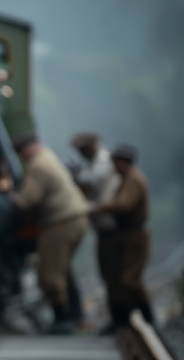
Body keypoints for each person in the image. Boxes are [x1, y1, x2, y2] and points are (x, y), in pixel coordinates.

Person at [12, 133, 88, 334]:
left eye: (21, 151)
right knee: (63, 270)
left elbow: (28, 199)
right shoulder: (47, 155)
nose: (21, 156)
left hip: (61, 222)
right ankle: (76, 315)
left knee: (49, 273)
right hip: (75, 218)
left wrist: (12, 199)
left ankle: (62, 320)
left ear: (28, 148)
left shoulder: (37, 165)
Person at [92, 144, 153, 329]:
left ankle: (149, 318)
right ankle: (122, 319)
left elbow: (124, 205)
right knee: (117, 279)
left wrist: (99, 207)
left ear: (122, 162)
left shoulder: (133, 179)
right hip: (125, 233)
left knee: (130, 278)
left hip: (134, 234)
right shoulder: (126, 178)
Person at [69, 131, 121, 233]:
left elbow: (93, 180)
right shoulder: (92, 161)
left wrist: (75, 175)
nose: (82, 153)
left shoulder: (103, 159)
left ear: (92, 146)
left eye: (83, 150)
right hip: (101, 216)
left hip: (108, 214)